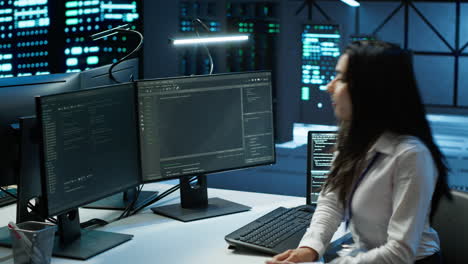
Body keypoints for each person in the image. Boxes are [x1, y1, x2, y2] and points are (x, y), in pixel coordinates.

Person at [267, 40, 451, 264]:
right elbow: (331, 203)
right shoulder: (353, 141)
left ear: (370, 89)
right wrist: (309, 249)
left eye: (342, 78)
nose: (330, 86)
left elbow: (400, 252)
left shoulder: (411, 155)